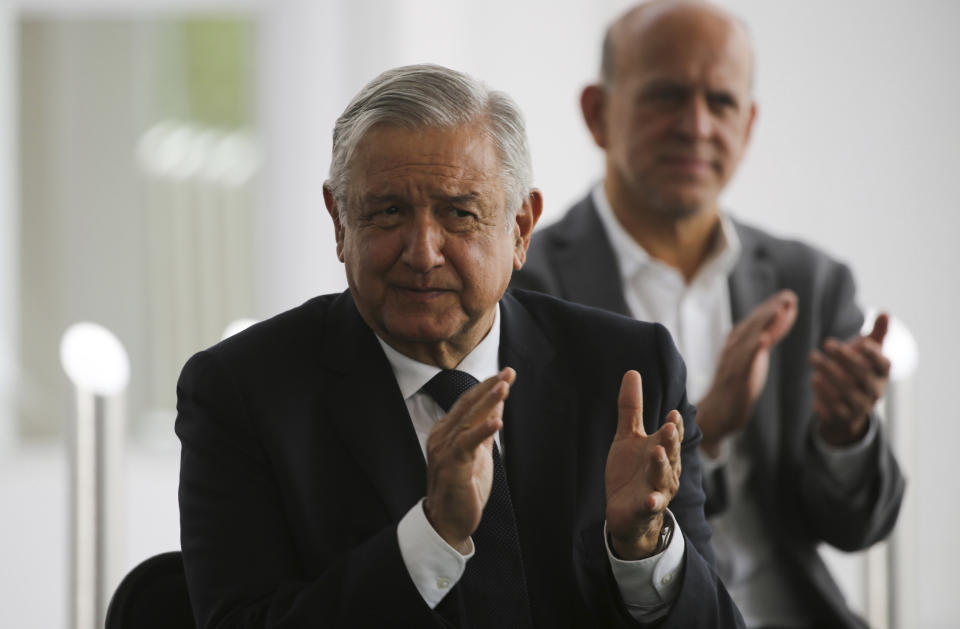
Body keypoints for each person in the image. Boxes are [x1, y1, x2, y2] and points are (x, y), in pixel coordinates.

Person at [176, 64, 743, 628]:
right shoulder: (242, 392)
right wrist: (432, 537)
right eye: (389, 211)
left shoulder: (627, 374)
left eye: (459, 213)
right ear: (339, 222)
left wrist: (643, 546)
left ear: (520, 228)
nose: (422, 252)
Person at [511, 2, 905, 628]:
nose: (695, 125)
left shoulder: (812, 283)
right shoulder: (528, 289)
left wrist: (844, 437)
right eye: (665, 96)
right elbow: (541, 535)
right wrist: (705, 436)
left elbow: (858, 527)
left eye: (720, 102)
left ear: (748, 125)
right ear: (597, 113)